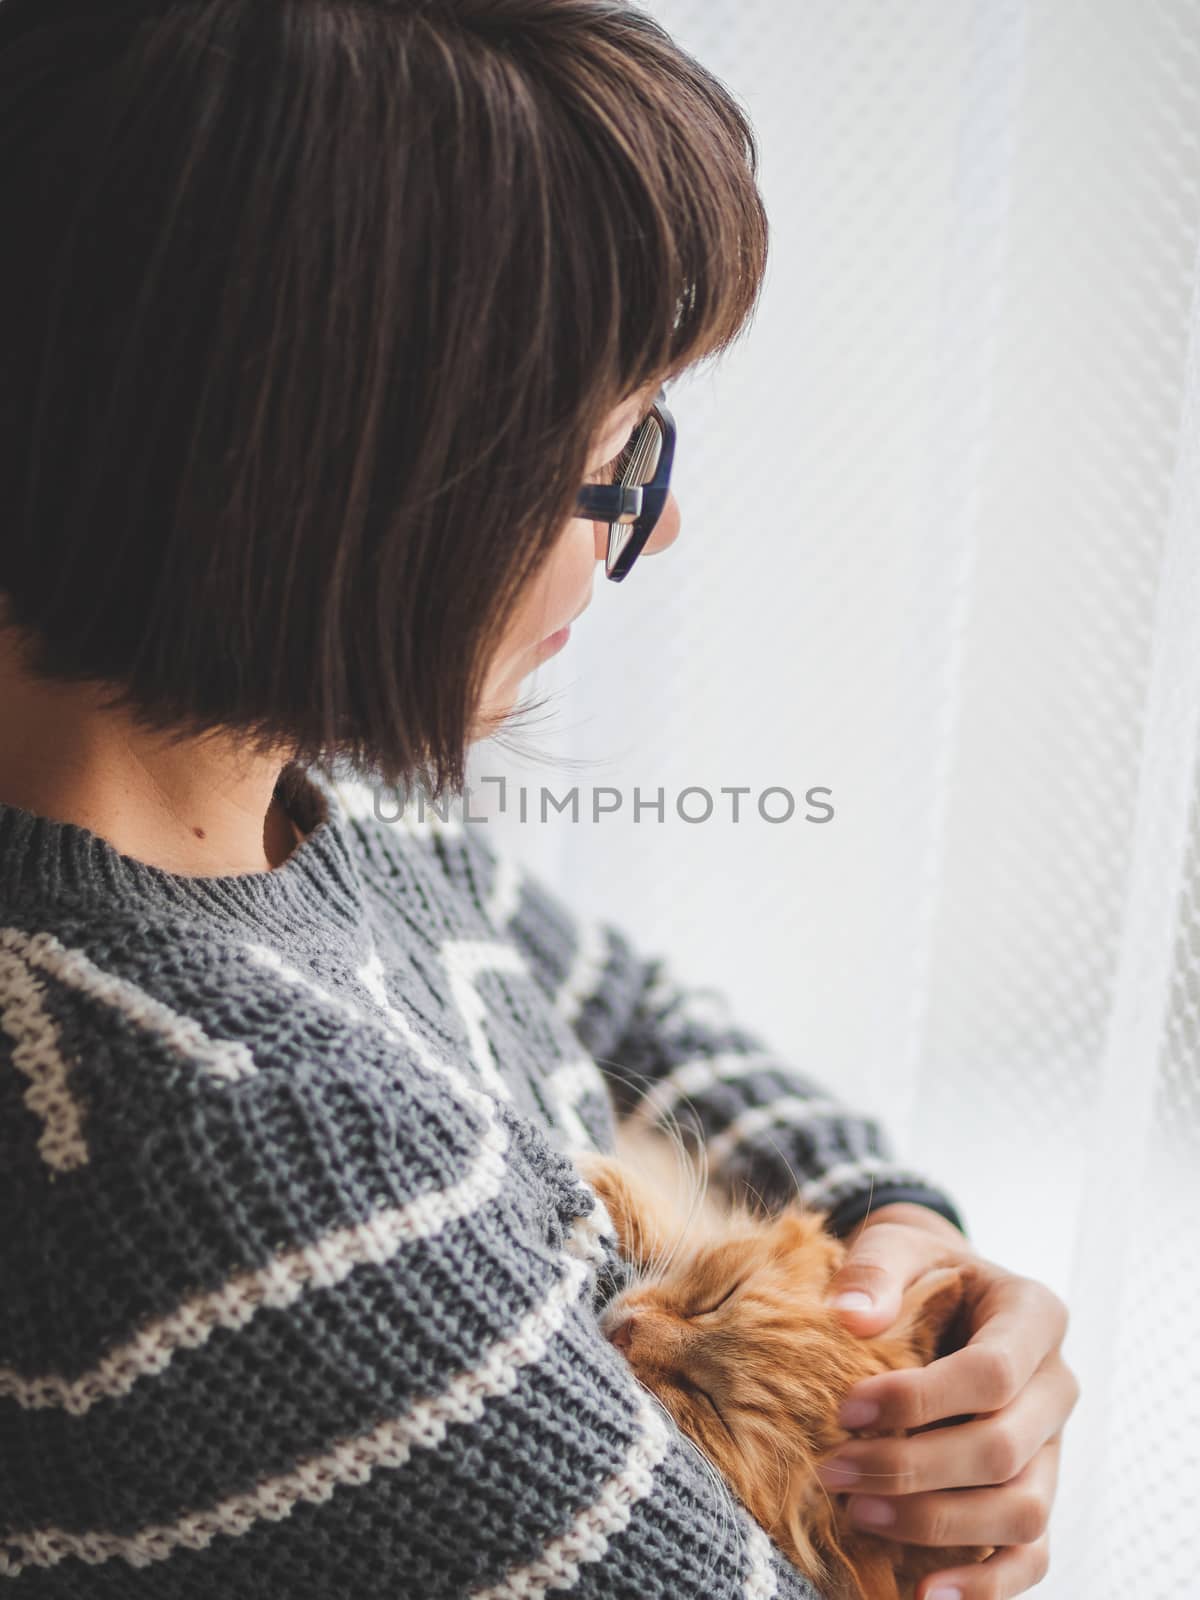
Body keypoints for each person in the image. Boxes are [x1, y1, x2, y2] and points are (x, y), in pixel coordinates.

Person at [0, 1, 1077, 1596]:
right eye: (614, 453)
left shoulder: (284, 817)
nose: (658, 522)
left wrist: (901, 1247)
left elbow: (624, 1011)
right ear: (337, 469)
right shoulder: (234, 1141)